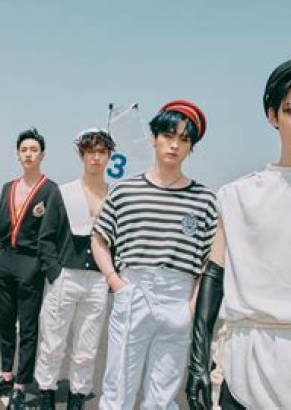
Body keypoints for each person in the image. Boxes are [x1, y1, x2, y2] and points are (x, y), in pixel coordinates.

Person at [186, 57, 291, 409]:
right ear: (272, 115)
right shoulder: (237, 196)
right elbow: (214, 275)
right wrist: (197, 361)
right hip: (248, 361)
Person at [91, 100, 218, 409]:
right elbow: (99, 239)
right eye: (168, 135)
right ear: (154, 138)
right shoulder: (125, 191)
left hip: (179, 296)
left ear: (191, 147)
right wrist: (115, 282)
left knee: (163, 395)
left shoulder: (204, 199)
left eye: (184, 139)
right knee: (118, 388)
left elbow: (209, 260)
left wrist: (191, 304)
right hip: (134, 289)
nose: (174, 145)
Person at [35, 129, 115, 410]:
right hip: (66, 275)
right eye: (90, 152)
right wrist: (55, 272)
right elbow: (46, 237)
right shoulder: (64, 192)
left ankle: (77, 397)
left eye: (102, 152)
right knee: (52, 342)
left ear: (109, 157)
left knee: (87, 347)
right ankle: (46, 393)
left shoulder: (115, 196)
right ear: (82, 155)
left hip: (98, 280)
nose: (96, 158)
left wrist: (111, 277)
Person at [0, 128, 58, 410]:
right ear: (17, 154)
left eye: (33, 150)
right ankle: (5, 375)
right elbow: (1, 226)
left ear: (42, 155)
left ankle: (22, 385)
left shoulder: (50, 190)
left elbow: (51, 232)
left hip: (30, 264)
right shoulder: (8, 187)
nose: (28, 154)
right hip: (5, 262)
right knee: (5, 322)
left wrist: (42, 266)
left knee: (28, 327)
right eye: (24, 150)